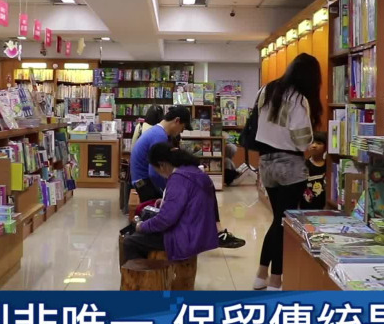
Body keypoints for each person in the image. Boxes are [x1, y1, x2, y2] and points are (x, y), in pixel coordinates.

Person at [253, 53, 323, 291]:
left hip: (266, 163)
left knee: (277, 219)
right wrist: (310, 143)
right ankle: (275, 279)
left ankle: (261, 274)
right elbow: (302, 140)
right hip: (290, 165)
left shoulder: (267, 90)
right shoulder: (298, 99)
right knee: (283, 223)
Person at [129, 106, 246, 249]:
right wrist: (168, 190)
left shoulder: (156, 132)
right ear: (177, 121)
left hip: (143, 182)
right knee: (196, 195)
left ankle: (214, 232)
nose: (181, 131)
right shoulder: (159, 136)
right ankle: (209, 233)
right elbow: (154, 172)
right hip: (147, 185)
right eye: (183, 127)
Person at [122, 143, 219, 262]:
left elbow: (165, 220)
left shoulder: (178, 179)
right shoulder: (193, 171)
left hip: (185, 237)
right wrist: (165, 201)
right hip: (200, 232)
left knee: (130, 241)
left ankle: (144, 273)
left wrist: (142, 226)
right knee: (143, 232)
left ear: (162, 165)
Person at [300, 132, 328, 210]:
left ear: (325, 147)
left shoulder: (329, 166)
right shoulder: (303, 165)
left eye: (319, 143)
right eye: (312, 143)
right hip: (306, 208)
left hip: (324, 208)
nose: (314, 145)